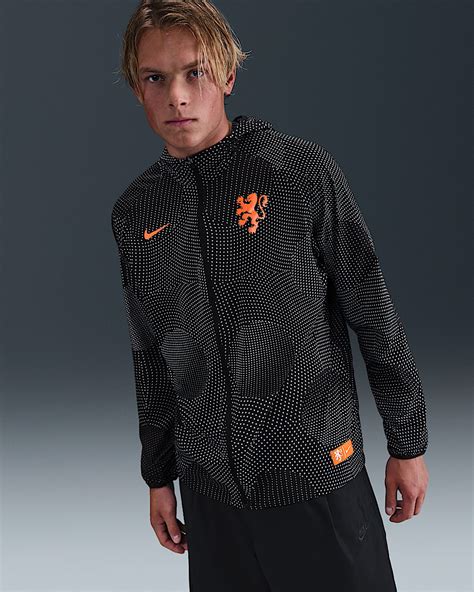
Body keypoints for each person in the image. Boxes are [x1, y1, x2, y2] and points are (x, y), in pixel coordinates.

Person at [111, 1, 430, 590]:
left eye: (195, 72)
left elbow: (372, 309)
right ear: (137, 89)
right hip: (212, 494)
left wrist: (407, 442)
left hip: (316, 473)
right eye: (156, 78)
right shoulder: (138, 211)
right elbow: (151, 354)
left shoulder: (295, 171)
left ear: (228, 76)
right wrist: (158, 476)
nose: (177, 96)